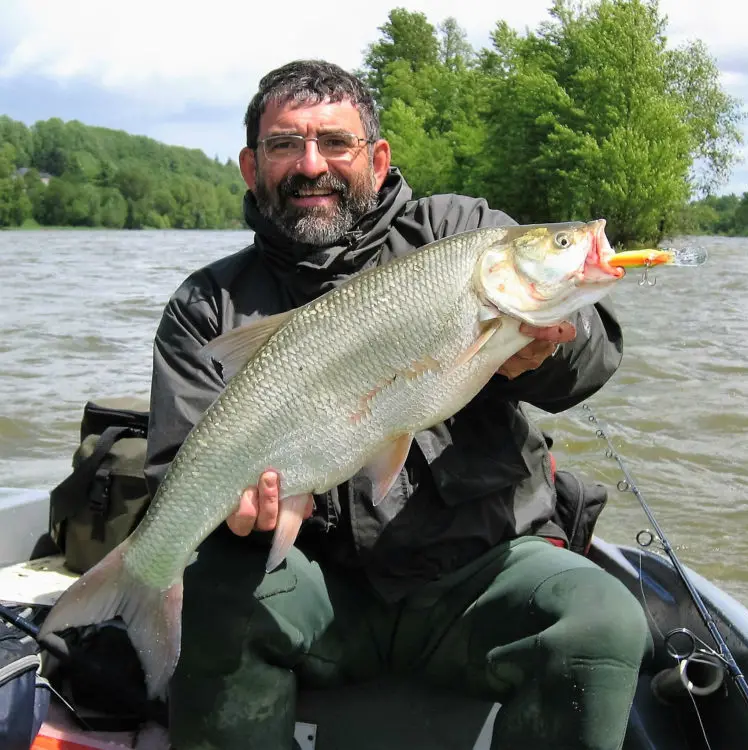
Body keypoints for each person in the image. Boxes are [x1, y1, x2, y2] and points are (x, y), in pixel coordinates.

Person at [144, 59, 649, 750]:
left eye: (336, 142)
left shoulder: (464, 234)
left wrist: (547, 350)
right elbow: (174, 469)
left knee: (603, 619)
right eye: (285, 145)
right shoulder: (207, 305)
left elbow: (590, 362)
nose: (310, 164)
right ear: (250, 167)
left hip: (478, 575)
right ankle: (139, 595)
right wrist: (234, 523)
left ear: (378, 159)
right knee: (214, 593)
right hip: (314, 587)